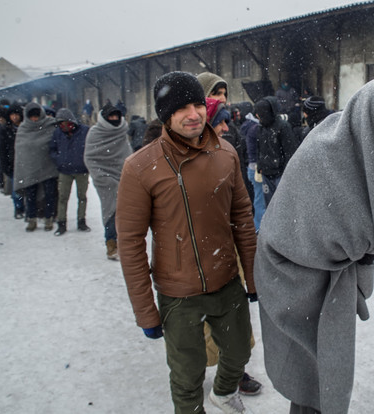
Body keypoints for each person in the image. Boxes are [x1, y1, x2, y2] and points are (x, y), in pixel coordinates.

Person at [255, 78, 374, 414]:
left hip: (326, 281)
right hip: (293, 281)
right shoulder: (323, 155)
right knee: (310, 377)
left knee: (318, 378)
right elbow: (331, 230)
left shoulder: (360, 151)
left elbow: (370, 220)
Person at [116, 71, 257, 414]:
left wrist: (252, 278)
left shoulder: (226, 154)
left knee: (239, 353)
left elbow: (242, 218)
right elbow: (130, 243)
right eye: (181, 107)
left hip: (226, 283)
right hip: (179, 295)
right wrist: (145, 310)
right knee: (187, 375)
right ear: (165, 114)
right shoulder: (140, 167)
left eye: (197, 103)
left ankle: (223, 393)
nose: (193, 114)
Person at [203, 96, 264, 397]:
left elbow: (241, 208)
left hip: (230, 248)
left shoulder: (227, 150)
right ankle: (193, 371)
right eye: (221, 120)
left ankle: (236, 370)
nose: (227, 127)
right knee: (201, 323)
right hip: (197, 257)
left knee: (235, 316)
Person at [197, 72, 253, 207]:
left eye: (224, 94)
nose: (222, 99)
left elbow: (239, 169)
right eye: (216, 93)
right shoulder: (188, 134)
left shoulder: (230, 129)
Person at [84, 103, 131, 260]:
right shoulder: (95, 133)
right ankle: (111, 245)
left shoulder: (122, 131)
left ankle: (126, 245)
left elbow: (128, 154)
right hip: (105, 180)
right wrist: (101, 177)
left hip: (124, 177)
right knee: (112, 212)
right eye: (111, 116)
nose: (114, 119)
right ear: (104, 118)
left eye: (116, 116)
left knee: (127, 214)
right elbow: (90, 157)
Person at [13, 103, 59, 232]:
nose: (34, 119)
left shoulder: (50, 125)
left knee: (50, 195)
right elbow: (21, 149)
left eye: (37, 116)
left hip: (48, 167)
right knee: (30, 196)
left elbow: (55, 142)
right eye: (32, 116)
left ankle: (49, 219)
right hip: (29, 168)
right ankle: (31, 219)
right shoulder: (23, 129)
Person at [49, 108, 91, 236]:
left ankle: (81, 221)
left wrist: (86, 161)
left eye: (66, 123)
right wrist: (59, 160)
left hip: (82, 170)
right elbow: (52, 149)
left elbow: (92, 146)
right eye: (61, 124)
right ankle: (61, 223)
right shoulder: (57, 133)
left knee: (82, 197)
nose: (64, 126)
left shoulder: (85, 131)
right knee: (62, 198)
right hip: (64, 170)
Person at [253, 96, 299, 206]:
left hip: (280, 174)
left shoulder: (283, 127)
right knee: (269, 206)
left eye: (261, 113)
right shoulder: (261, 127)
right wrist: (260, 165)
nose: (258, 116)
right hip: (266, 173)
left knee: (283, 205)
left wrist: (286, 172)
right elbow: (260, 148)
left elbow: (290, 151)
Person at [0, 104, 25, 218]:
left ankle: (27, 208)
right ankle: (18, 209)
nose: (14, 117)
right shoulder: (5, 130)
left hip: (25, 161)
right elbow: (2, 149)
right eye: (12, 115)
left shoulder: (25, 127)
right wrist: (4, 165)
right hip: (12, 162)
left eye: (16, 114)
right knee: (16, 188)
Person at [240, 110, 266, 231]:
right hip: (256, 168)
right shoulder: (255, 129)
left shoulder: (247, 126)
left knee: (257, 197)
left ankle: (258, 226)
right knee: (260, 199)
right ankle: (259, 227)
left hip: (250, 167)